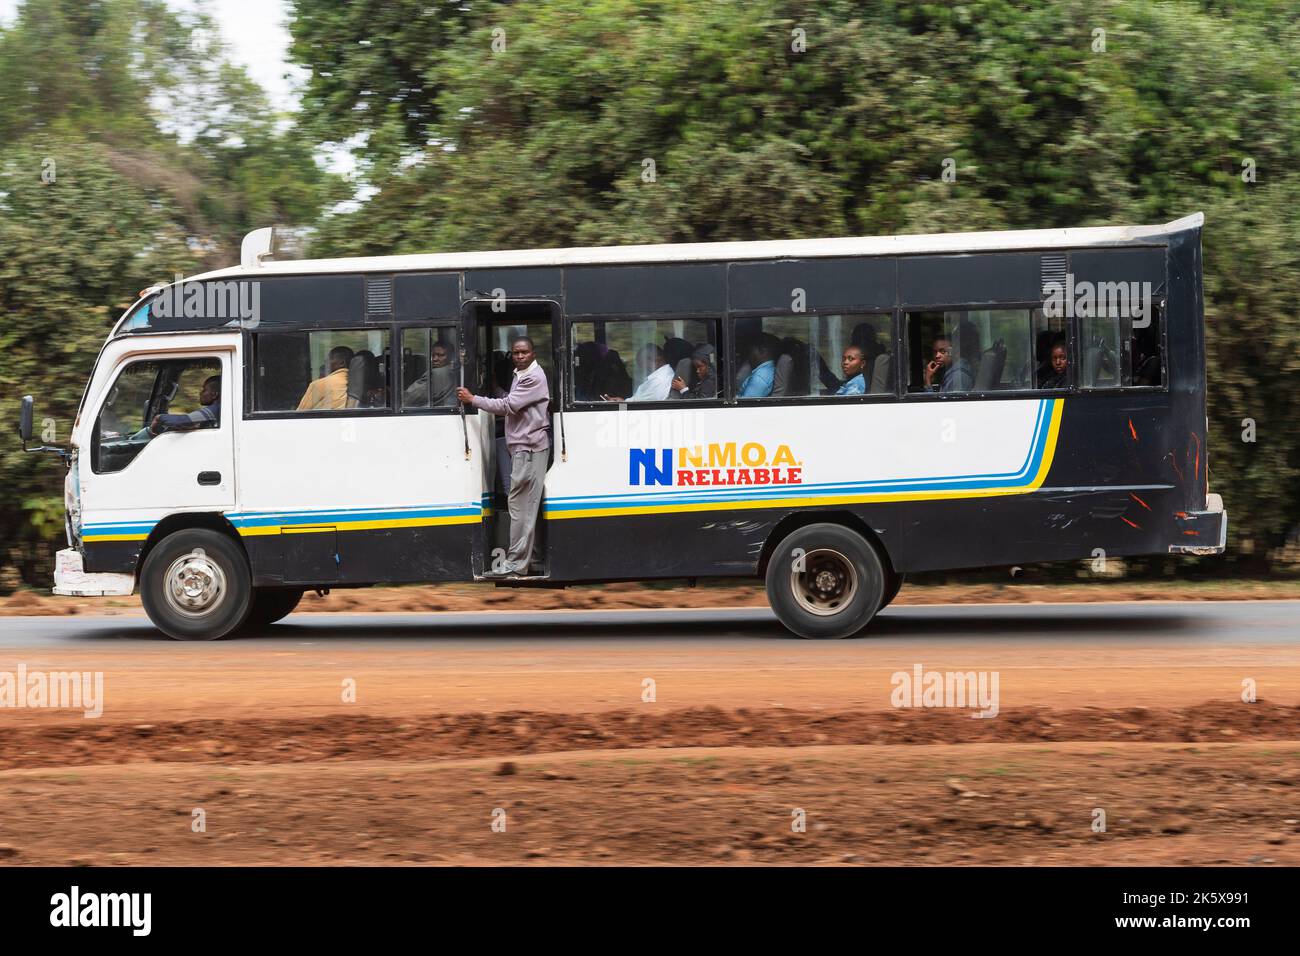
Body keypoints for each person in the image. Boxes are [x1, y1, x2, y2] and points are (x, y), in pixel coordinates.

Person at [457, 336, 550, 577]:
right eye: (516, 353)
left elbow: (509, 406)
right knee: (528, 507)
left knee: (520, 507)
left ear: (533, 353)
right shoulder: (522, 376)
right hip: (525, 447)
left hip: (529, 449)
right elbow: (511, 398)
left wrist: (472, 399)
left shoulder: (533, 377)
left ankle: (516, 565)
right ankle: (534, 559)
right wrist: (495, 386)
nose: (520, 356)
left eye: (524, 352)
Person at [603, 344, 674, 402]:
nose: (641, 368)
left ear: (657, 359)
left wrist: (620, 406)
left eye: (642, 363)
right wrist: (622, 402)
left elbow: (636, 407)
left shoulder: (659, 380)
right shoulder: (662, 375)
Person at [150, 375, 220, 434]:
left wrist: (158, 417)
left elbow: (181, 421)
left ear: (214, 394)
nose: (200, 393)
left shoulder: (214, 410)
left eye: (204, 390)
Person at [403, 340, 457, 407]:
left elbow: (408, 398)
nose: (435, 359)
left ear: (451, 357)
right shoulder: (454, 372)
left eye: (440, 355)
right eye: (433, 355)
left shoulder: (434, 374)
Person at [297, 346, 353, 410]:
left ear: (342, 363)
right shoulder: (354, 382)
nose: (325, 361)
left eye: (330, 358)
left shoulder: (320, 384)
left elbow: (300, 412)